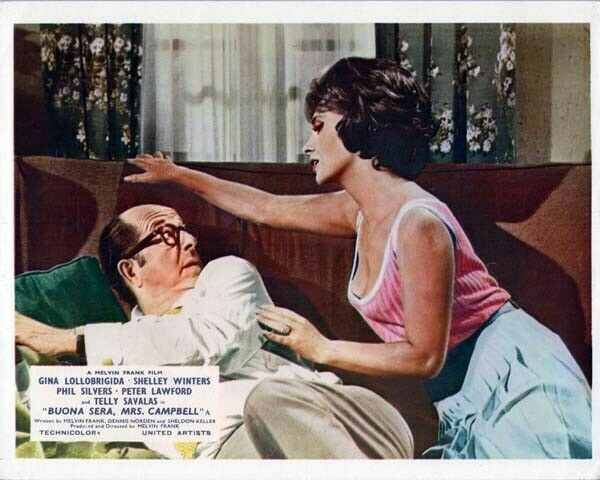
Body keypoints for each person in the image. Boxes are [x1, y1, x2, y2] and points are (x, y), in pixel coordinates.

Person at [124, 57, 592, 459]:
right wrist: (178, 175)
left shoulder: (419, 222)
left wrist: (320, 348)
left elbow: (424, 356)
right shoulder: (360, 210)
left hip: (514, 378)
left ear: (356, 121)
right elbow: (265, 208)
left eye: (318, 126)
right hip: (460, 397)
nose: (308, 144)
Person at [15, 203, 413, 460]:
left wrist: (68, 341)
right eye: (167, 235)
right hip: (231, 451)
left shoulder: (226, 277)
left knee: (266, 399)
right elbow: (54, 405)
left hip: (343, 421)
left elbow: (213, 342)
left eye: (186, 230)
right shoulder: (126, 347)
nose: (189, 241)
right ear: (131, 269)